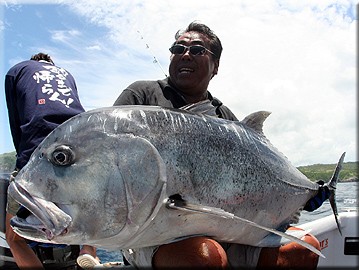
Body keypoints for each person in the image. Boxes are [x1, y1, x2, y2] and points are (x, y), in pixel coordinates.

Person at [113, 22, 321, 269]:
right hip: (152, 230)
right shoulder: (142, 95)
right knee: (204, 257)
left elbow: (259, 173)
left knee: (302, 249)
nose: (185, 54)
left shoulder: (225, 117)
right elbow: (112, 156)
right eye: (178, 48)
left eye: (197, 50)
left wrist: (306, 192)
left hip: (223, 228)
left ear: (216, 66)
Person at [5, 53, 98, 269]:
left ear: (33, 60)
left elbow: (15, 118)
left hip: (40, 150)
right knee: (87, 219)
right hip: (83, 146)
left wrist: (24, 163)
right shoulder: (67, 74)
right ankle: (89, 250)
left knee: (14, 237)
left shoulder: (17, 70)